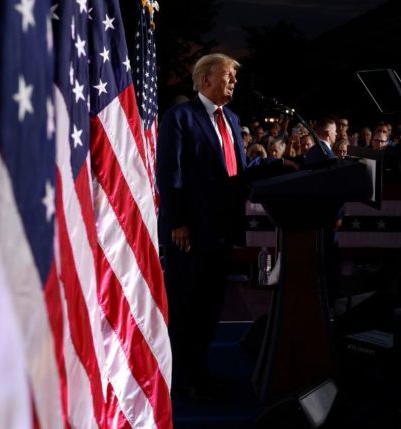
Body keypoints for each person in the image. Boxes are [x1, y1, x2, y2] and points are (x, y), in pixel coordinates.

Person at [156, 53, 288, 399]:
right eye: (228, 76)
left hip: (223, 229)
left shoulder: (231, 117)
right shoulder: (180, 117)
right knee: (187, 308)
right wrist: (178, 222)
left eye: (234, 78)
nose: (233, 83)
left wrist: (282, 165)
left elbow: (237, 173)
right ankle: (182, 381)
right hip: (190, 232)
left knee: (210, 307)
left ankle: (201, 373)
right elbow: (170, 174)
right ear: (205, 80)